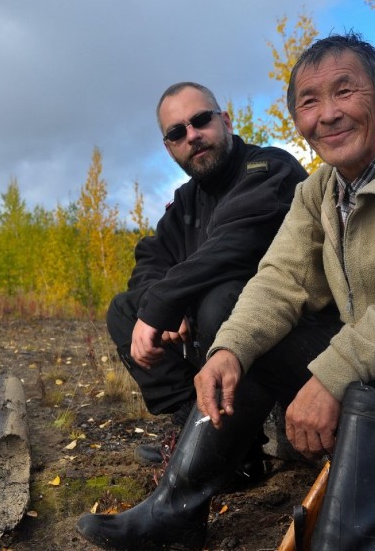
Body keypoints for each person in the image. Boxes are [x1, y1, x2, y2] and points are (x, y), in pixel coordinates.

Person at [76, 35, 375, 550]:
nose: (327, 115)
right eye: (309, 102)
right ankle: (177, 510)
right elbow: (281, 280)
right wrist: (228, 351)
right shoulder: (319, 190)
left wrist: (330, 376)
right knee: (263, 342)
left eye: (344, 92)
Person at [104, 82, 341, 473]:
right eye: (177, 132)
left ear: (225, 121)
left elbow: (236, 245)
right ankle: (197, 430)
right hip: (226, 345)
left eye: (200, 121)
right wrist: (162, 303)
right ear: (169, 147)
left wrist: (169, 300)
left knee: (222, 298)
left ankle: (223, 450)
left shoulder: (269, 168)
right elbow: (152, 258)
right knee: (126, 310)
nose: (192, 136)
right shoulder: (186, 200)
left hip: (296, 335)